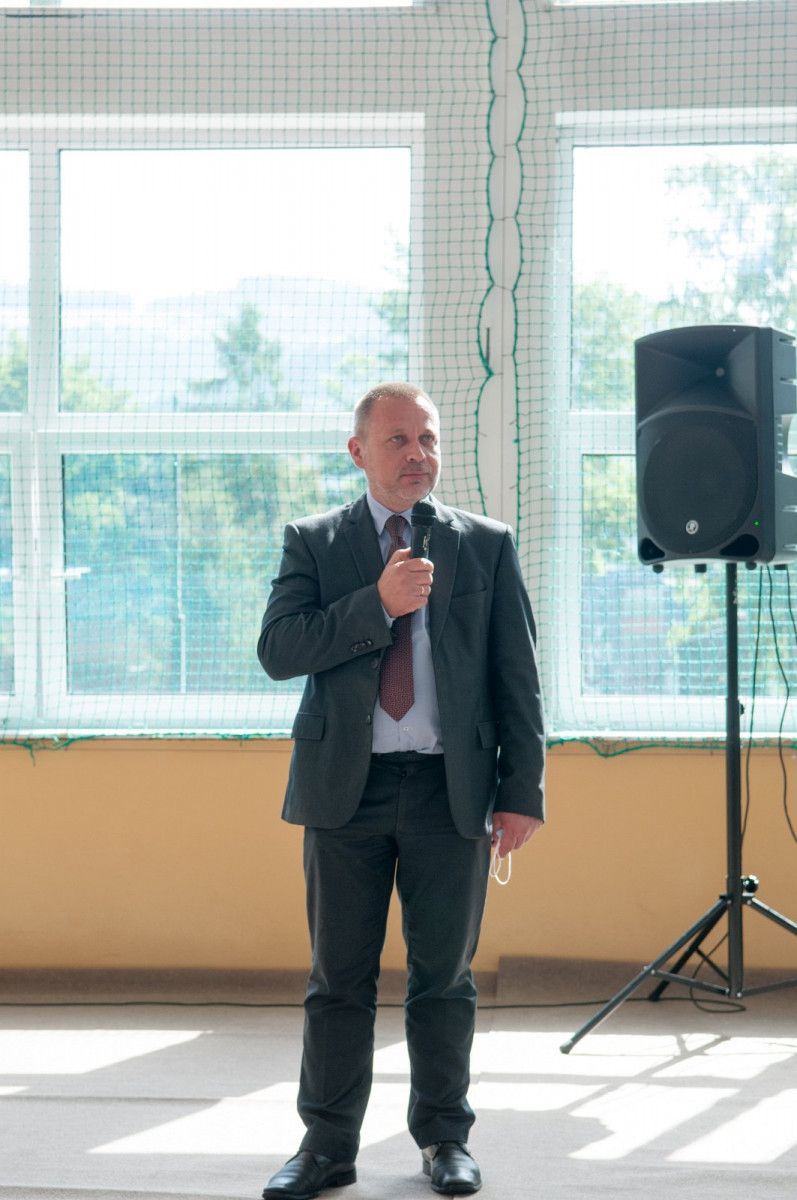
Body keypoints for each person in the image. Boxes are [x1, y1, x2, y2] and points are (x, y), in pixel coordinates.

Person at [257, 382, 545, 1200]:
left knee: (443, 979)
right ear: (358, 452)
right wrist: (375, 606)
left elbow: (517, 676)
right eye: (397, 440)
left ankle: (445, 1138)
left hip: (450, 789)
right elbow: (279, 650)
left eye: (427, 439)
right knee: (337, 980)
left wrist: (521, 789)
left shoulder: (484, 543)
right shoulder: (313, 541)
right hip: (343, 791)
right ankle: (326, 1147)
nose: (417, 454)